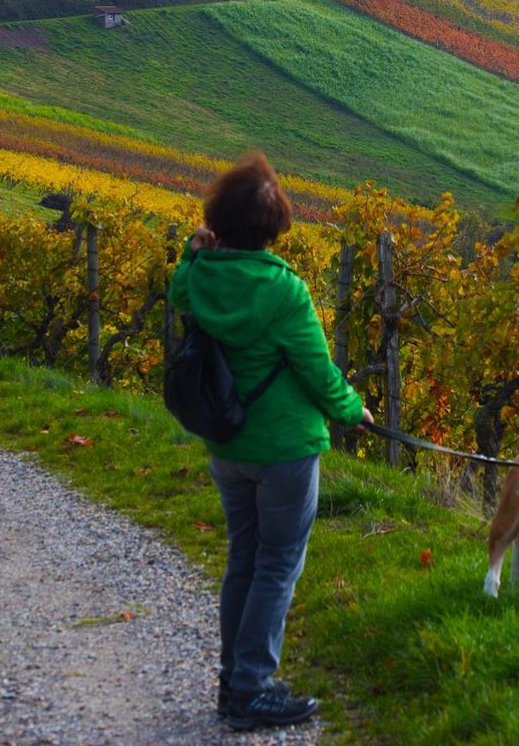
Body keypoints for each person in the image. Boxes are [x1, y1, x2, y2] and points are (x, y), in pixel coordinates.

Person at [168, 152, 372, 732]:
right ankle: (252, 688)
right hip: (283, 448)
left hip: (228, 445)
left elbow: (181, 289)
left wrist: (193, 248)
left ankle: (234, 682)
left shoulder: (198, 275)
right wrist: (353, 411)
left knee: (245, 558)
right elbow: (317, 370)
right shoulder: (286, 291)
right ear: (273, 226)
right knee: (278, 564)